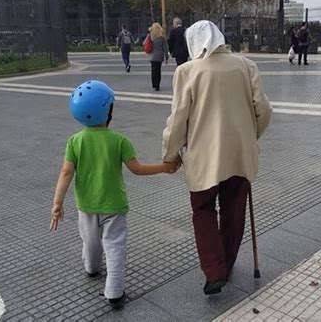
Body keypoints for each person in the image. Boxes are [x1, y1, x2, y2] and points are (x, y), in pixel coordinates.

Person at [162, 20, 272, 295]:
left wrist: (170, 153)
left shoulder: (187, 71)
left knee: (203, 210)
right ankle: (227, 263)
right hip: (239, 154)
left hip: (203, 157)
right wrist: (249, 137)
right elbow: (264, 110)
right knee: (234, 211)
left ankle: (215, 270)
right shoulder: (246, 65)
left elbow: (178, 119)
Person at [50, 80, 179, 309]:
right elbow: (137, 170)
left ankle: (91, 268)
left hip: (86, 205)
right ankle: (114, 293)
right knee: (115, 247)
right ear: (107, 110)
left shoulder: (74, 141)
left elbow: (66, 172)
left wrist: (57, 203)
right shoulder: (119, 140)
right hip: (114, 206)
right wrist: (165, 167)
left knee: (89, 241)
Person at [148, 22, 169, 91]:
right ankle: (157, 85)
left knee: (153, 71)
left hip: (152, 56)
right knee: (158, 71)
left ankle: (154, 83)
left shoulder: (150, 36)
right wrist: (166, 57)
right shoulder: (162, 38)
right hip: (159, 56)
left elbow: (145, 43)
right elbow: (165, 48)